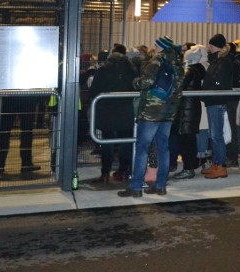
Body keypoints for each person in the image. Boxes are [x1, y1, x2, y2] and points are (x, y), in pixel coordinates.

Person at [118, 36, 183, 197]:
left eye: (156, 45)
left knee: (142, 148)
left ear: (161, 47)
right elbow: (179, 90)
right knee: (163, 149)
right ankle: (160, 185)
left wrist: (136, 82)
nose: (153, 48)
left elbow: (146, 82)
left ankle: (135, 187)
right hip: (169, 112)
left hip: (151, 111)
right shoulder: (179, 65)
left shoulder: (156, 62)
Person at [88, 44, 137, 183]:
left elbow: (93, 91)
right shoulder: (131, 70)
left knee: (107, 143)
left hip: (106, 112)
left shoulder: (103, 69)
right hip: (125, 111)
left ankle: (105, 173)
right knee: (125, 142)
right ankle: (123, 171)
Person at [201, 34, 234, 179]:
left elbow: (218, 80)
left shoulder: (223, 62)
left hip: (216, 100)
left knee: (216, 135)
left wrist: (208, 90)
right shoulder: (218, 61)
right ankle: (217, 163)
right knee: (214, 134)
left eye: (211, 45)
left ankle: (220, 165)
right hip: (213, 100)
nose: (209, 47)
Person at [172, 44, 206, 179]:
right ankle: (190, 166)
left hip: (186, 109)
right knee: (190, 139)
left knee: (185, 140)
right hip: (193, 108)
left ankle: (188, 168)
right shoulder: (199, 70)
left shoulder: (189, 70)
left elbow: (180, 85)